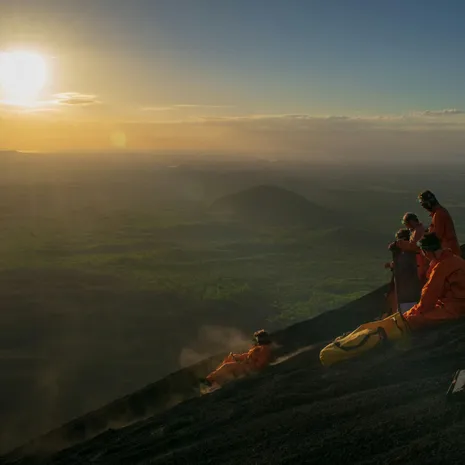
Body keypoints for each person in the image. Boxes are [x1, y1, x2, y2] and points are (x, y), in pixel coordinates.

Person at [403, 232, 465, 330]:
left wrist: (409, 314)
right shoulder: (456, 259)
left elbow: (429, 296)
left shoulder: (441, 268)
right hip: (456, 304)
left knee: (413, 320)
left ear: (426, 251)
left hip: (456, 308)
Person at [201, 330, 273, 389]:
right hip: (247, 366)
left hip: (249, 369)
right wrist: (237, 357)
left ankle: (211, 380)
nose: (257, 340)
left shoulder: (264, 349)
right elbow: (248, 356)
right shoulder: (260, 348)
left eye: (258, 338)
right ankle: (212, 380)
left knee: (227, 366)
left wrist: (248, 364)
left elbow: (260, 364)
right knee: (228, 361)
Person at [418, 190, 461, 257]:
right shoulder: (440, 212)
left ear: (429, 203)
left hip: (447, 252)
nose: (424, 208)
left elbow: (437, 236)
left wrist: (424, 238)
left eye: (423, 205)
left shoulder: (439, 214)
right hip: (450, 250)